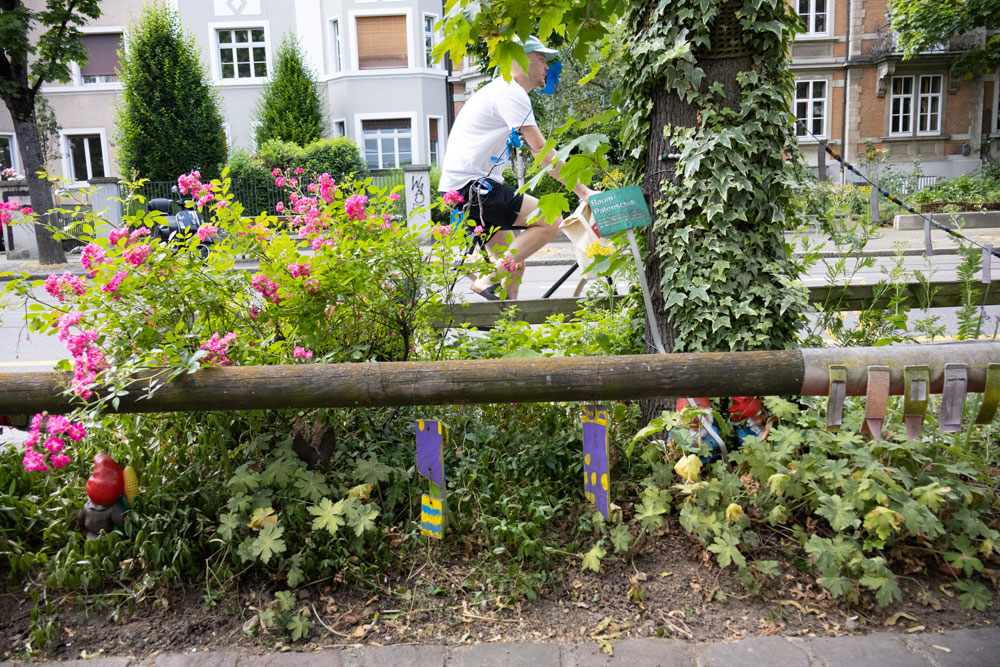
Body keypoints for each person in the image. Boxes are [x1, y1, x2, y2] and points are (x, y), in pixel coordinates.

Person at [439, 35, 597, 300]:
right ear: (524, 60)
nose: (546, 66)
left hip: (464, 189)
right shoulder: (511, 91)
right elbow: (542, 152)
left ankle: (505, 331)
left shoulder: (501, 90)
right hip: (472, 187)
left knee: (514, 264)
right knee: (550, 221)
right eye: (541, 59)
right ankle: (487, 280)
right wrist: (584, 192)